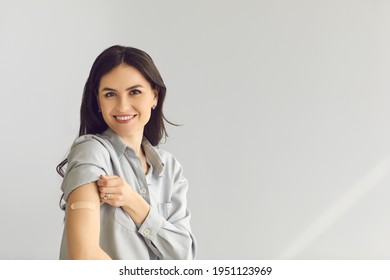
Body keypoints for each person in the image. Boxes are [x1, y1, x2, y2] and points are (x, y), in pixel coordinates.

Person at [56, 45, 196, 260]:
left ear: (154, 96)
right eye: (110, 94)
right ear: (98, 101)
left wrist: (133, 202)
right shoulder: (92, 153)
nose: (122, 106)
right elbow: (83, 257)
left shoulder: (170, 169)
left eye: (135, 92)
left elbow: (183, 256)